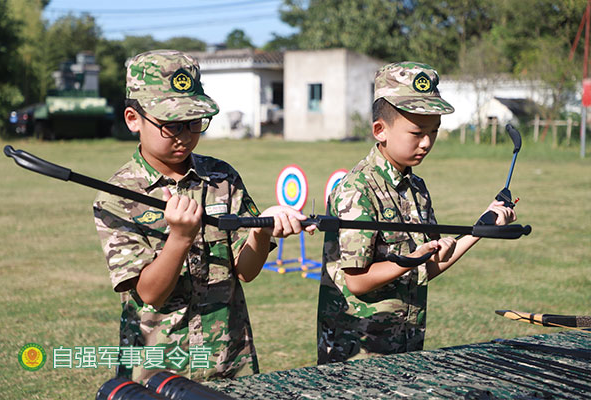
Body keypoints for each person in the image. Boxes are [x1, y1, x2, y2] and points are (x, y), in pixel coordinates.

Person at [93, 49, 314, 383]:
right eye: (171, 125)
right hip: (159, 370)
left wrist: (262, 230)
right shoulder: (116, 197)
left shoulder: (221, 177)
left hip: (228, 359)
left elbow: (246, 271)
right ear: (132, 119)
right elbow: (149, 294)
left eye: (194, 122)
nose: (185, 136)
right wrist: (180, 238)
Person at [316, 61, 516, 364]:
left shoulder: (415, 187)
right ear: (380, 130)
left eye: (434, 132)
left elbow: (426, 267)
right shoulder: (357, 189)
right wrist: (409, 260)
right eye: (417, 132)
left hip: (406, 343)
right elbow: (356, 281)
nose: (426, 143)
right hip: (357, 352)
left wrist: (481, 228)